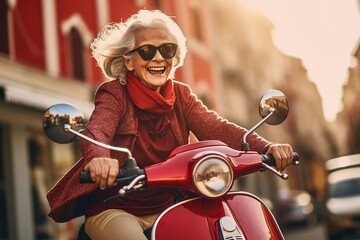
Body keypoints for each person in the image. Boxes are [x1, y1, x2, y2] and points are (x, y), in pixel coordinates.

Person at [46, 9, 294, 240]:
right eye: (146, 51)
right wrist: (99, 159)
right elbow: (97, 130)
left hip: (172, 204)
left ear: (174, 59)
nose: (158, 58)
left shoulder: (182, 95)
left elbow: (216, 127)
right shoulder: (114, 94)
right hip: (117, 207)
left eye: (167, 50)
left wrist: (266, 148)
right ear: (129, 61)